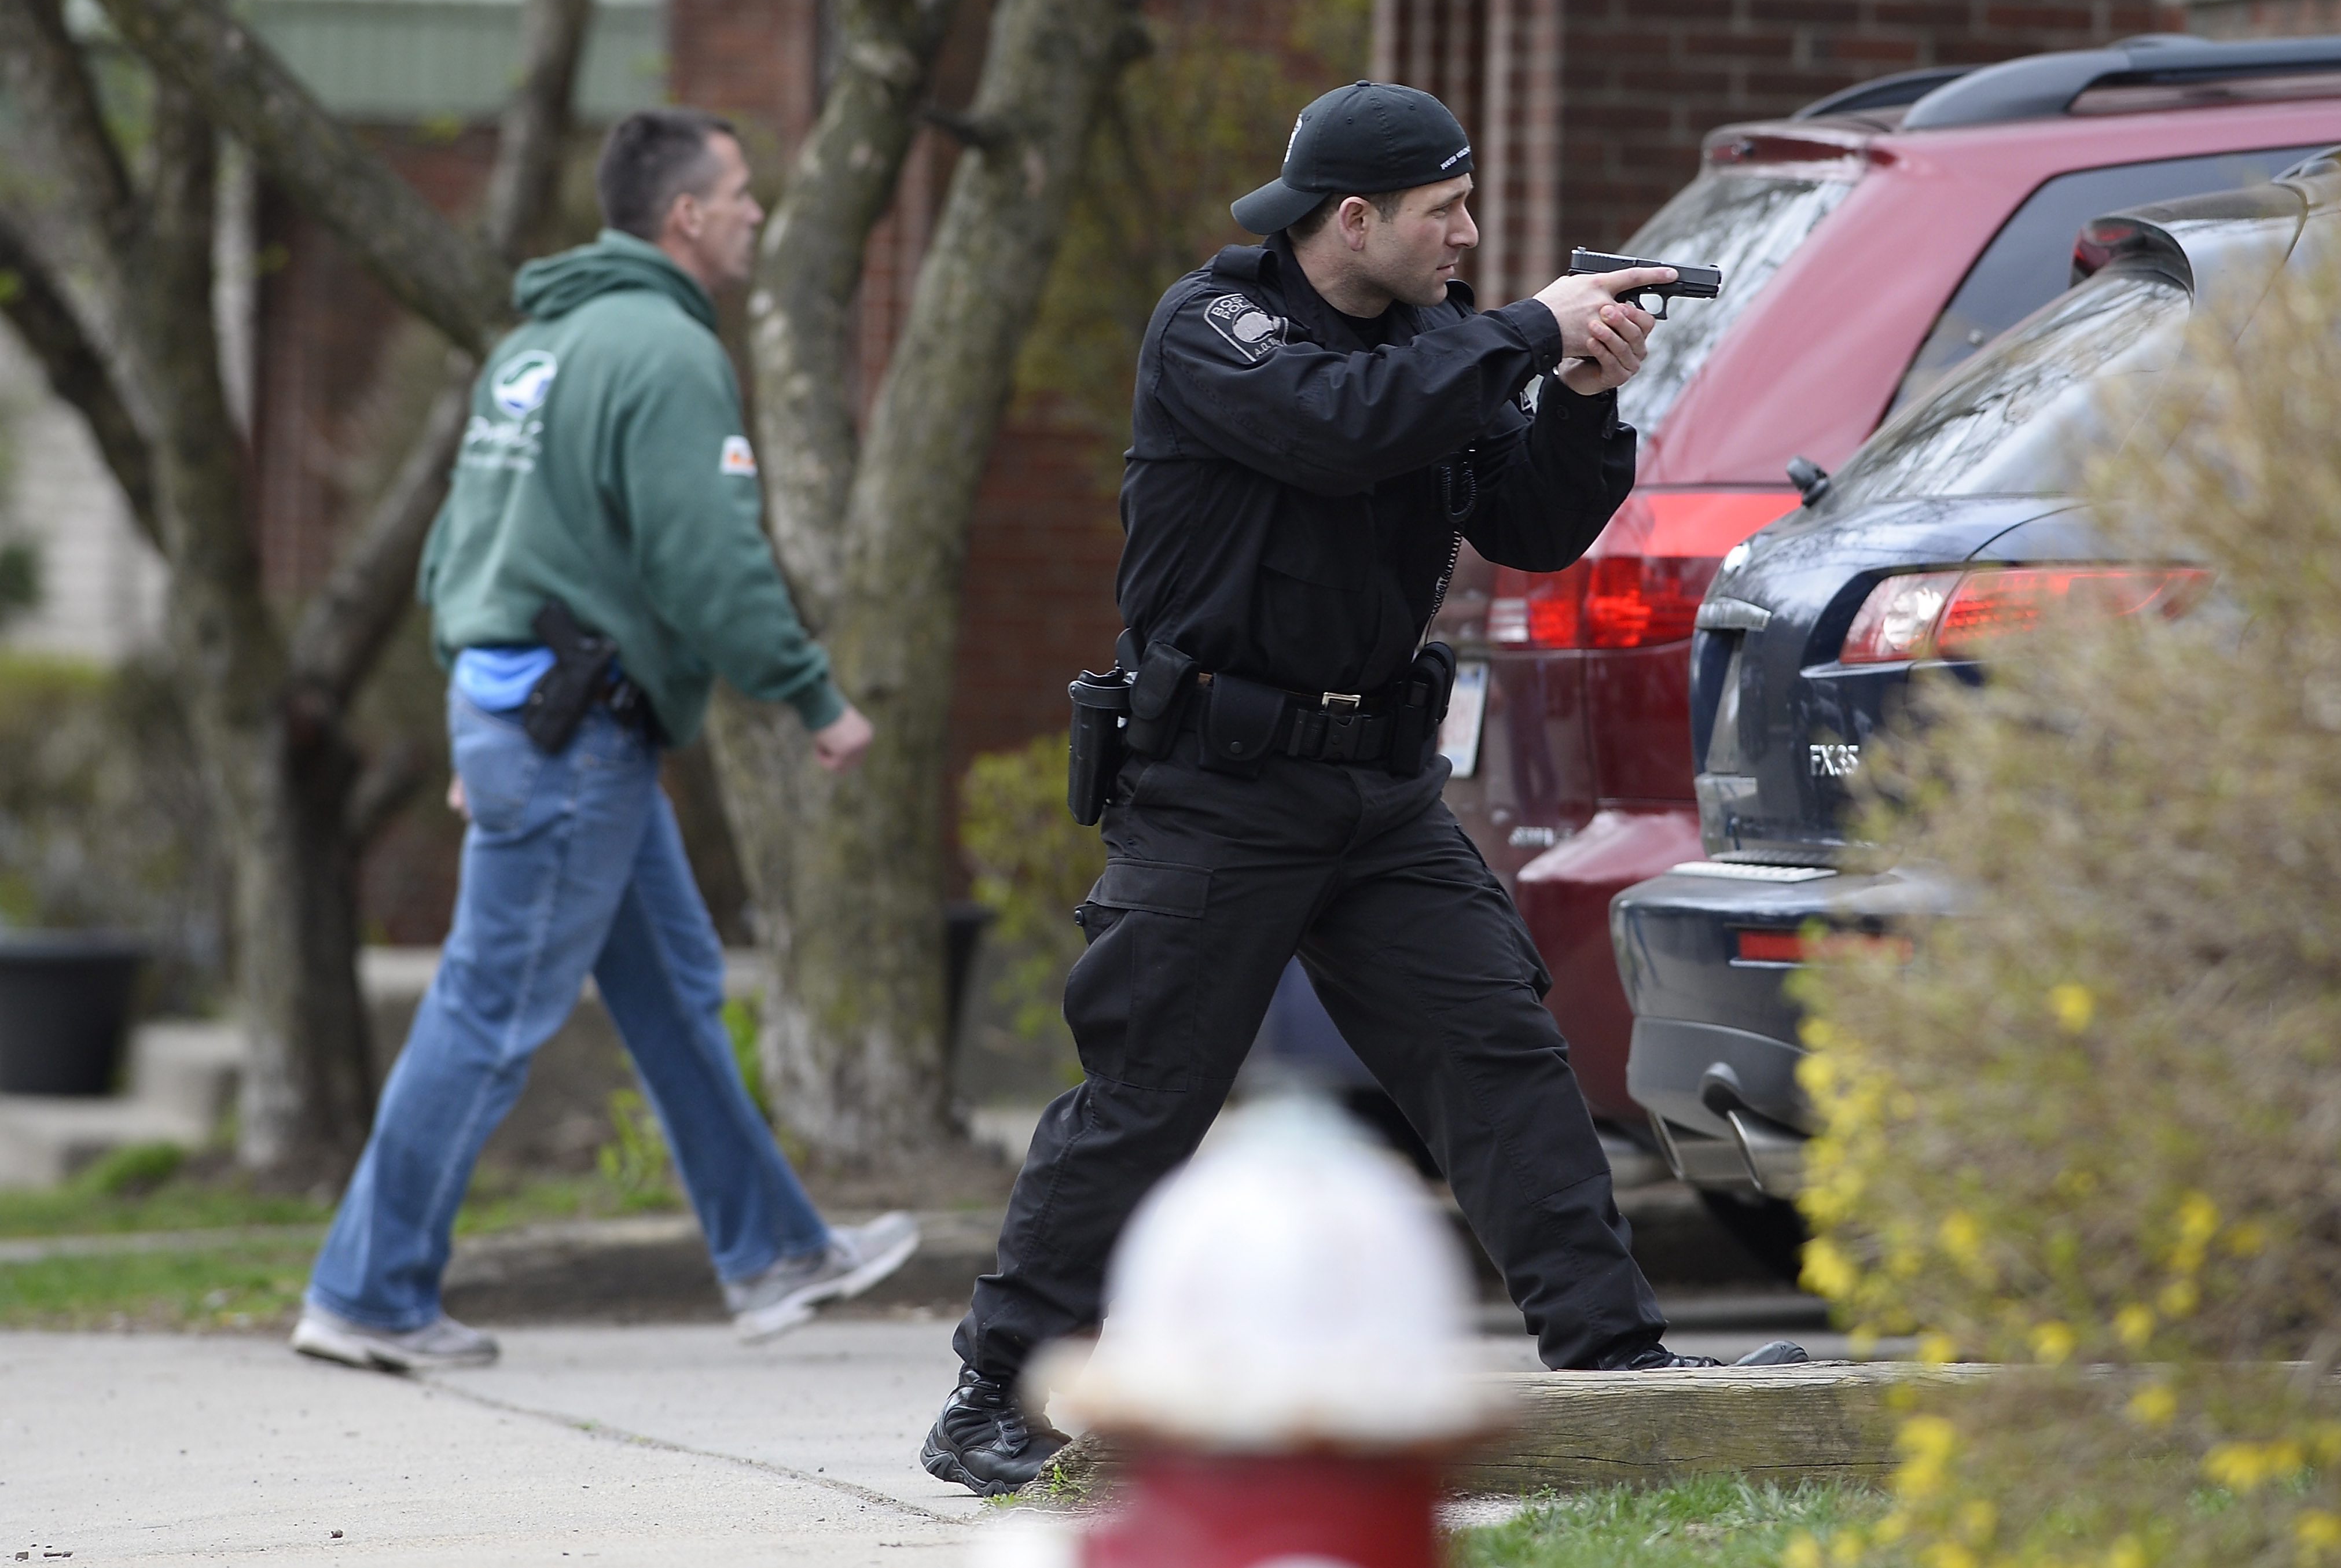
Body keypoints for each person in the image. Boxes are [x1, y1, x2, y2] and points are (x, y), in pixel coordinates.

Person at [921, 81, 1805, 1495]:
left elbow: (1527, 525)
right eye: (1444, 212)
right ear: (1354, 219)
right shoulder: (1221, 330)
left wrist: (1579, 397)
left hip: (1378, 795)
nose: (1468, 235)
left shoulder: (1438, 343)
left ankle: (1615, 1367)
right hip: (1216, 783)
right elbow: (1342, 427)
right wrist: (1527, 331)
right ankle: (997, 1395)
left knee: (1500, 1052)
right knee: (1149, 1091)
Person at [293, 109, 919, 1372]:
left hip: (541, 717)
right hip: (571, 731)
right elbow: (712, 563)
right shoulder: (666, 356)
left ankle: (774, 1252)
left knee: (677, 997)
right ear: (685, 215)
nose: (757, 210)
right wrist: (812, 695)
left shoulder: (537, 345)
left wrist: (482, 713)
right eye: (742, 190)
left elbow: (455, 550)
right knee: (488, 1008)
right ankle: (368, 1293)